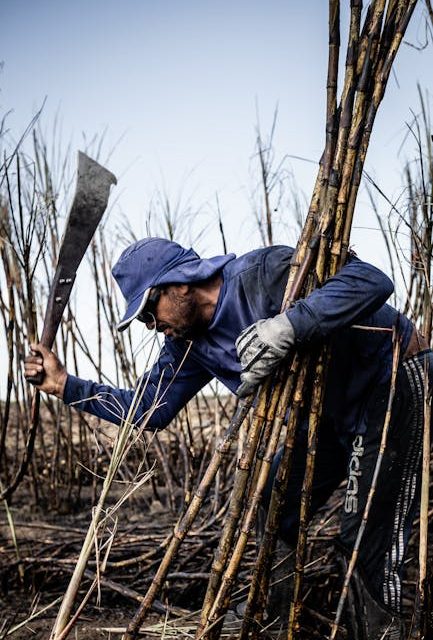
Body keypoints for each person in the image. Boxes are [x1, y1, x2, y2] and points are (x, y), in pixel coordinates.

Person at [25, 237, 432, 639]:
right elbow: (149, 408)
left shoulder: (263, 274)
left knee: (365, 537)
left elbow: (371, 280)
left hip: (393, 380)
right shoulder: (188, 345)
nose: (154, 327)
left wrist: (288, 326)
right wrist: (64, 385)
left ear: (180, 283)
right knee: (274, 499)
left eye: (150, 312)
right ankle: (276, 617)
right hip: (328, 414)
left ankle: (382, 632)